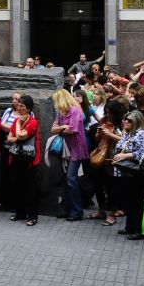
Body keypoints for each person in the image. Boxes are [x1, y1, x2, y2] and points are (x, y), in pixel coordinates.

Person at [113, 110, 144, 240]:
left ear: (136, 122)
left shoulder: (141, 134)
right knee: (129, 201)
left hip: (137, 174)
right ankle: (129, 226)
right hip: (126, 173)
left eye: (129, 120)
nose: (126, 122)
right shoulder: (126, 134)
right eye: (125, 119)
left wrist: (126, 155)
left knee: (137, 202)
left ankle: (138, 230)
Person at [52, 89, 88, 221]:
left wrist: (60, 128)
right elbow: (53, 129)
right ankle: (68, 209)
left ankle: (77, 211)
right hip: (66, 148)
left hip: (76, 149)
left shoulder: (75, 111)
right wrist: (63, 128)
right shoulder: (62, 112)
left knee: (71, 179)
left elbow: (72, 130)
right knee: (66, 179)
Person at [7, 94, 40, 226]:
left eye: (22, 106)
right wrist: (17, 135)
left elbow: (21, 135)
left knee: (30, 188)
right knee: (17, 186)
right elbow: (10, 138)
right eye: (19, 105)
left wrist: (19, 126)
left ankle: (32, 216)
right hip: (16, 158)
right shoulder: (16, 121)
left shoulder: (32, 122)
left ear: (29, 108)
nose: (19, 108)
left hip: (29, 160)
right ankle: (20, 213)